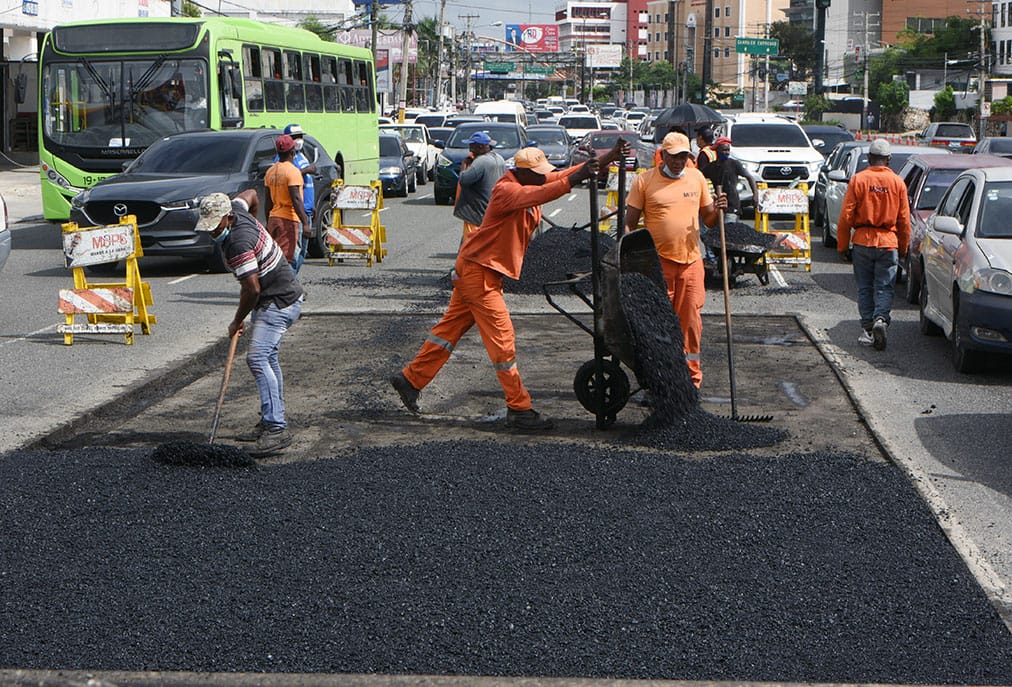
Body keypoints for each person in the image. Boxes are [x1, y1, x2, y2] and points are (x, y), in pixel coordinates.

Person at [390, 141, 629, 430]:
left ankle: (410, 379)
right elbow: (550, 187)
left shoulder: (530, 181)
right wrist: (577, 178)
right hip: (479, 272)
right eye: (538, 173)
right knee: (503, 340)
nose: (544, 175)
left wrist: (608, 158)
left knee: (448, 331)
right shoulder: (507, 190)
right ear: (522, 172)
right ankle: (519, 408)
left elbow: (559, 177)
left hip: (479, 269)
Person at [194, 192, 305, 455]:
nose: (212, 233)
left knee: (257, 358)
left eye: (216, 227)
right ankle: (270, 419)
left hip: (278, 300)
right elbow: (253, 195)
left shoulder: (238, 243)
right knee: (268, 358)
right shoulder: (238, 207)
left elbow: (252, 289)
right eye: (208, 227)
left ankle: (276, 428)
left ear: (228, 218)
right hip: (279, 296)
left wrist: (237, 321)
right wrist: (260, 226)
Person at [624, 132, 727, 389]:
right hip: (657, 264)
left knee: (691, 322)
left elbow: (709, 220)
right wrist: (628, 258)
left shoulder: (697, 178)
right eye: (674, 157)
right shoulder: (644, 181)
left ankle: (691, 382)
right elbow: (629, 224)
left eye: (683, 156)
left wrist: (718, 209)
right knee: (659, 322)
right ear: (663, 156)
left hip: (691, 262)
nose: (679, 161)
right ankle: (659, 379)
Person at [835, 138, 910, 351]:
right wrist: (903, 249)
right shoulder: (898, 183)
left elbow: (845, 217)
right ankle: (881, 319)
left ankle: (868, 329)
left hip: (862, 242)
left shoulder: (859, 180)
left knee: (865, 287)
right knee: (885, 287)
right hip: (888, 243)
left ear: (869, 158)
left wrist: (842, 246)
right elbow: (904, 221)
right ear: (889, 159)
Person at [264, 134, 311, 271]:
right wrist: (306, 223)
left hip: (274, 218)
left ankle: (282, 288)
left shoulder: (270, 172)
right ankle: (288, 290)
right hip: (289, 221)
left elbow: (268, 201)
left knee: (276, 258)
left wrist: (269, 223)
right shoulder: (293, 171)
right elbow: (296, 199)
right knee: (290, 259)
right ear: (292, 152)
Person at [277, 124, 318, 273]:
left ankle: (290, 284)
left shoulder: (300, 155)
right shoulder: (282, 159)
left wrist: (310, 204)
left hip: (306, 209)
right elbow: (286, 179)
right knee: (293, 255)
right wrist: (306, 170)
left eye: (301, 136)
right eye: (295, 137)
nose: (299, 140)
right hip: (295, 214)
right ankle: (288, 287)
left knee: (301, 253)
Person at [453, 131, 506, 241]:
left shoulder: (481, 162)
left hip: (477, 211)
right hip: (491, 209)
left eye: (472, 146)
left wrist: (464, 166)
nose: (470, 149)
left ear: (481, 146)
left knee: (470, 244)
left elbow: (463, 180)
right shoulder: (499, 158)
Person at [699, 136, 758, 223]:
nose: (726, 152)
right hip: (718, 206)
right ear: (717, 150)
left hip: (732, 206)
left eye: (728, 150)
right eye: (724, 150)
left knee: (729, 230)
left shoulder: (734, 164)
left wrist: (755, 194)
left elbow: (749, 177)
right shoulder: (711, 167)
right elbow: (699, 178)